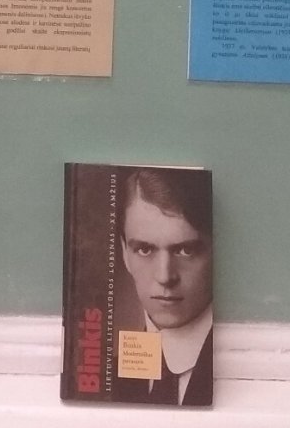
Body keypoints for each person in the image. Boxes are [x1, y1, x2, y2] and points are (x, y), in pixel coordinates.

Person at [116, 168, 213, 406]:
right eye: (144, 249)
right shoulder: (112, 375)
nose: (164, 276)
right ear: (125, 253)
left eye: (186, 250)